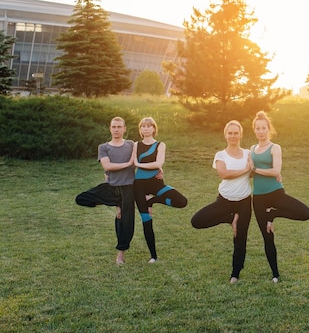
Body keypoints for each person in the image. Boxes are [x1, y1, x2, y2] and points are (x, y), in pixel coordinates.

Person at [250, 111, 309, 283]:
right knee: (267, 236)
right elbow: (247, 171)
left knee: (305, 213)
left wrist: (255, 170)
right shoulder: (251, 150)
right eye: (258, 128)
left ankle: (274, 214)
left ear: (269, 129)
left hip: (276, 193)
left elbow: (276, 171)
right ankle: (275, 274)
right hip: (258, 198)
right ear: (254, 130)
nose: (261, 131)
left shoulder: (275, 148)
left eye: (264, 128)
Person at [191, 120, 252, 284]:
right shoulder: (220, 155)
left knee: (240, 237)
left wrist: (275, 175)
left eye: (236, 132)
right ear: (225, 135)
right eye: (230, 133)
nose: (233, 135)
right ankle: (229, 219)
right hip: (224, 200)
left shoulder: (248, 153)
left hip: (245, 202)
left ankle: (235, 274)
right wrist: (245, 170)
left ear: (240, 134)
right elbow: (224, 173)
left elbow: (255, 172)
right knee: (197, 221)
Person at [75, 117, 136, 265]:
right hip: (110, 186)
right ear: (110, 128)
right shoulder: (104, 147)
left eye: (119, 127)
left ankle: (120, 254)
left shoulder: (131, 145)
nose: (116, 129)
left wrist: (159, 170)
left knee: (125, 223)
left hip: (128, 188)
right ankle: (115, 202)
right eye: (114, 127)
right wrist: (128, 164)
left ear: (124, 129)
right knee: (81, 198)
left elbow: (143, 161)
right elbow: (107, 167)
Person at [133, 117, 188, 263]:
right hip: (138, 185)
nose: (145, 128)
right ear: (140, 129)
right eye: (143, 126)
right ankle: (153, 256)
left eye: (148, 126)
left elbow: (158, 162)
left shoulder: (160, 145)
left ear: (154, 129)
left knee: (182, 201)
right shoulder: (135, 145)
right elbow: (132, 163)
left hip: (156, 183)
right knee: (146, 220)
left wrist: (140, 164)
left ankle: (152, 200)